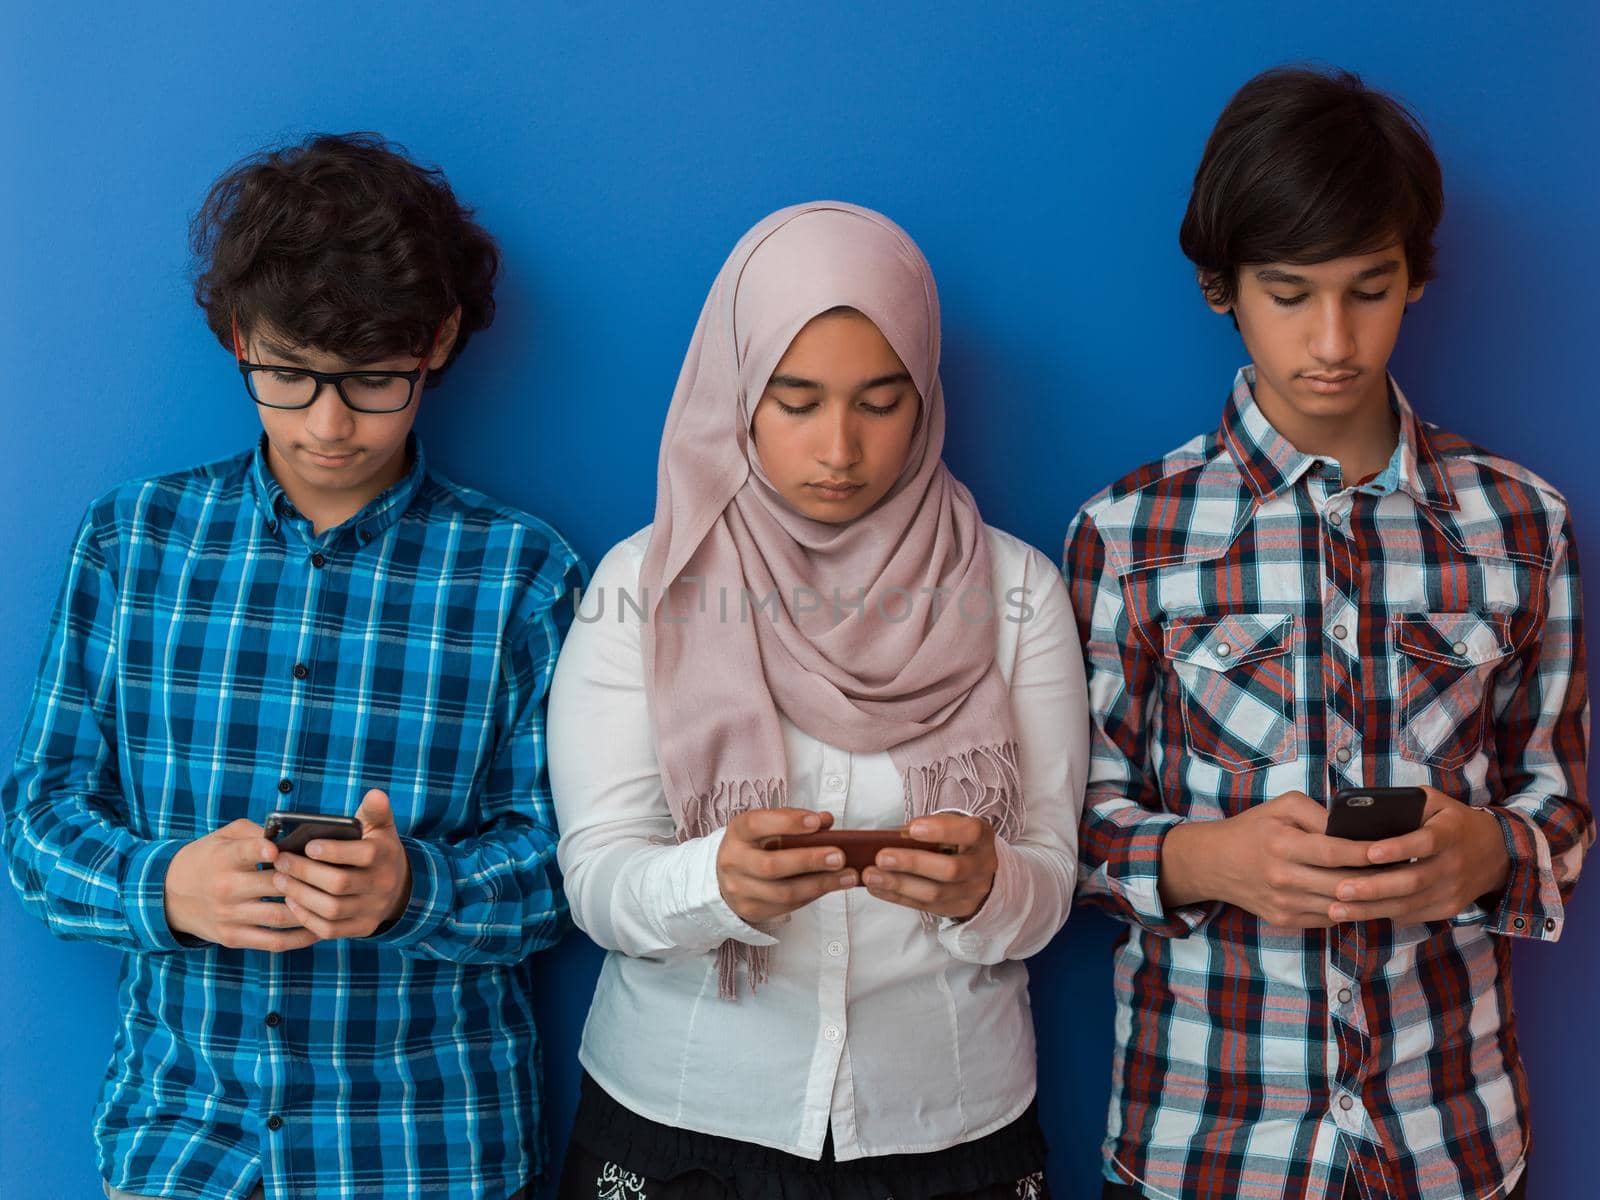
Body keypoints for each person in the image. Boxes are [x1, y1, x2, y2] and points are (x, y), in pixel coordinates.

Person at [0, 133, 583, 1200]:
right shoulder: (134, 543)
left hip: (428, 1150)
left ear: (440, 340)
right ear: (234, 337)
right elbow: (35, 818)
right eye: (288, 376)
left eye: (372, 380)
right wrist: (165, 885)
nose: (326, 423)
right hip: (181, 1143)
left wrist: (417, 887)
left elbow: (568, 866)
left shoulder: (523, 574)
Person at [1063, 66, 1590, 1200]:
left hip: (1448, 1140)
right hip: (1200, 1140)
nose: (1334, 339)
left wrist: (1488, 852)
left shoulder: (1522, 524)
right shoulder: (1126, 533)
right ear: (1222, 289)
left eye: (1371, 287)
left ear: (1414, 280)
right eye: (1288, 291)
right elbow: (1066, 829)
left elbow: (1560, 801)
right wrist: (1213, 859)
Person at [548, 202, 1088, 1199]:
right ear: (736, 392)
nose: (839, 447)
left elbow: (1051, 873)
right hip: (682, 1120)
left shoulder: (1015, 594)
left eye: (879, 401)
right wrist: (715, 884)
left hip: (949, 1125)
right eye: (795, 401)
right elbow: (596, 876)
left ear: (925, 398)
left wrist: (985, 891)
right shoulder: (643, 587)